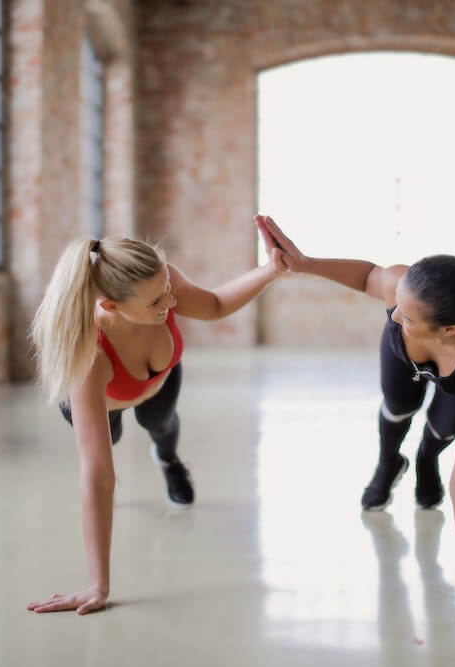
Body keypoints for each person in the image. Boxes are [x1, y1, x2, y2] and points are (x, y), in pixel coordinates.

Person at [255, 215, 455, 612]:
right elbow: (368, 278)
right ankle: (388, 463)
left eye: (408, 317)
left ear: (449, 329)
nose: (395, 316)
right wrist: (305, 263)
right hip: (403, 356)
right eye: (399, 307)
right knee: (398, 409)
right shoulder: (403, 295)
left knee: (443, 429)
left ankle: (426, 460)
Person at [26, 235, 286, 615]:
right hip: (105, 401)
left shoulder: (161, 281)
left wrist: (271, 270)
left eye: (167, 289)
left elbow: (213, 304)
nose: (172, 302)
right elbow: (98, 476)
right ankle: (142, 442)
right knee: (107, 445)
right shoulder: (89, 357)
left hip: (157, 380)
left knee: (161, 425)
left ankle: (169, 462)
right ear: (111, 306)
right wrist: (98, 586)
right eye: (156, 301)